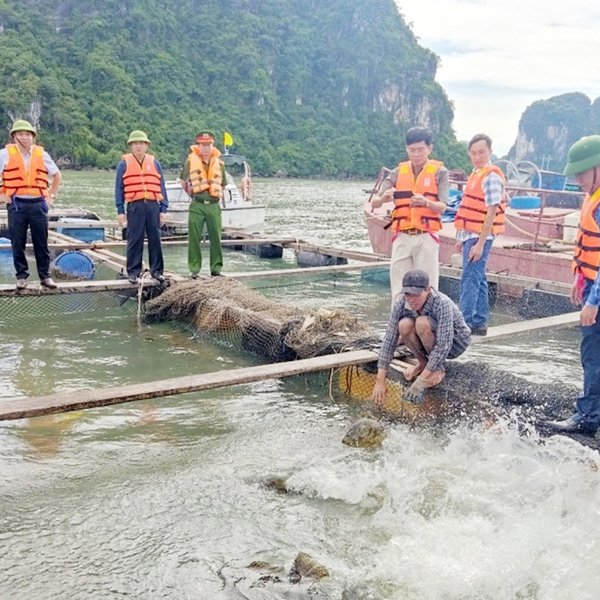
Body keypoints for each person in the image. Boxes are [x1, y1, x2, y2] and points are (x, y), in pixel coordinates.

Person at [544, 135, 600, 436]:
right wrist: (580, 279)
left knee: (593, 354)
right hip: (591, 282)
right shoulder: (593, 198)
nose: (577, 179)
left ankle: (588, 417)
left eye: (581, 172)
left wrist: (594, 301)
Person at [371, 126, 449, 304]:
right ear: (406, 149)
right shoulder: (398, 172)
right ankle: (398, 325)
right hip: (402, 235)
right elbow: (375, 202)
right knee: (398, 285)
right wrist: (383, 198)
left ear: (429, 148)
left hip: (426, 235)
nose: (416, 154)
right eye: (412, 150)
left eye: (420, 149)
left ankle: (429, 325)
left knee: (428, 285)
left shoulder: (440, 172)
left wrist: (426, 203)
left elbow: (443, 207)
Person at [372, 269, 471, 406]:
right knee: (404, 325)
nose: (411, 299)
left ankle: (437, 368)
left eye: (416, 295)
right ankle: (424, 363)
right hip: (431, 339)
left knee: (422, 323)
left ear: (428, 290)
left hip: (456, 342)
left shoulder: (442, 303)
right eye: (408, 294)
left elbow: (444, 345)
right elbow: (389, 339)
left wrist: (420, 382)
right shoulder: (401, 302)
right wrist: (380, 379)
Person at [454, 133, 506, 336]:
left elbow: (491, 212)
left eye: (481, 152)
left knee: (469, 278)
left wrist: (480, 243)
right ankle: (479, 322)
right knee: (479, 277)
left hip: (479, 235)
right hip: (470, 234)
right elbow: (467, 207)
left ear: (490, 152)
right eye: (474, 153)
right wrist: (461, 238)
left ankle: (462, 323)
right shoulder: (476, 173)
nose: (477, 156)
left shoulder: (491, 176)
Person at [0, 119, 62, 290]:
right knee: (17, 241)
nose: (25, 137)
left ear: (33, 137)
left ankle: (45, 276)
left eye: (28, 134)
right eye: (21, 134)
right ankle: (21, 276)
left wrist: (51, 196)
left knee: (41, 241)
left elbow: (57, 175)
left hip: (38, 203)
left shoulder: (42, 154)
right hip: (17, 204)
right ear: (14, 137)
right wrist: (2, 195)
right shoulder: (4, 154)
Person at [115, 130, 168, 284]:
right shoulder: (123, 164)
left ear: (146, 146)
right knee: (134, 238)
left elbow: (161, 186)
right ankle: (133, 272)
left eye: (141, 144)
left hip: (152, 205)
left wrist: (163, 209)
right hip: (135, 205)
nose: (138, 147)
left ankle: (157, 271)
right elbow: (119, 188)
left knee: (155, 238)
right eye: (135, 144)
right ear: (131, 146)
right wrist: (120, 210)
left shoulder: (155, 163)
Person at [180, 130, 227, 278]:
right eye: (203, 145)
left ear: (213, 146)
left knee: (216, 237)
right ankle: (194, 269)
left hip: (213, 205)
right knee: (194, 237)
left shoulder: (219, 163)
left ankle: (216, 269)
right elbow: (183, 182)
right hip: (197, 204)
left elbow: (223, 184)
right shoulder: (190, 162)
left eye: (209, 145)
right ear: (198, 146)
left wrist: (215, 194)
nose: (206, 148)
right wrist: (194, 194)